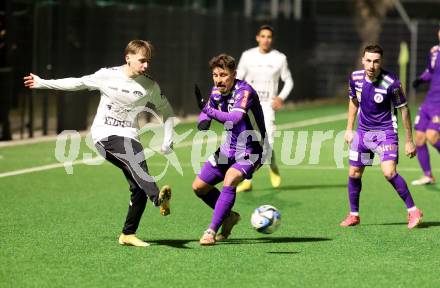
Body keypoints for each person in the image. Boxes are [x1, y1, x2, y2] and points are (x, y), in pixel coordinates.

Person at [23, 40, 174, 247]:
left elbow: (167, 111)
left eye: (148, 61)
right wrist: (43, 82)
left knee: (138, 186)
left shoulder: (150, 85)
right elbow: (77, 83)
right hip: (105, 136)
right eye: (142, 61)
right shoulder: (107, 75)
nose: (146, 66)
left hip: (130, 136)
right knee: (134, 162)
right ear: (128, 58)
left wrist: (168, 139)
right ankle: (158, 198)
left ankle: (128, 234)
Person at [340, 44, 423, 229]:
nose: (371, 65)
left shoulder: (392, 82)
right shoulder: (355, 78)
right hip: (362, 133)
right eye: (368, 60)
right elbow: (353, 101)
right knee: (354, 173)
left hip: (385, 133)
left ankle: (413, 210)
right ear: (363, 60)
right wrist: (348, 128)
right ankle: (354, 215)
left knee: (389, 172)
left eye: (376, 61)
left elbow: (404, 109)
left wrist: (409, 140)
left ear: (381, 62)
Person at [192, 54, 267, 245]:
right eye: (215, 75)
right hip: (228, 149)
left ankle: (211, 231)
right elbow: (205, 117)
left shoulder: (244, 91)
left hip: (252, 149)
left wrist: (208, 111)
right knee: (199, 188)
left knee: (231, 178)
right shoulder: (217, 91)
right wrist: (204, 119)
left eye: (223, 75)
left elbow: (234, 118)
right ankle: (230, 216)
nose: (219, 80)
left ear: (234, 74)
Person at [235, 24, 293, 192]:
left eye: (269, 37)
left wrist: (281, 97)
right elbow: (238, 77)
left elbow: (288, 80)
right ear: (257, 38)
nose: (266, 39)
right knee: (247, 141)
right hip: (249, 105)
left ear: (272, 39)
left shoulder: (279, 58)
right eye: (263, 36)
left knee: (267, 143)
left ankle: (272, 165)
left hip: (267, 106)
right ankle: (247, 180)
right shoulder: (247, 56)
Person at [411, 27, 440, 186]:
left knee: (432, 136)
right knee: (420, 138)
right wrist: (421, 79)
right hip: (429, 102)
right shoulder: (434, 51)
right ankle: (428, 175)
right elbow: (430, 71)